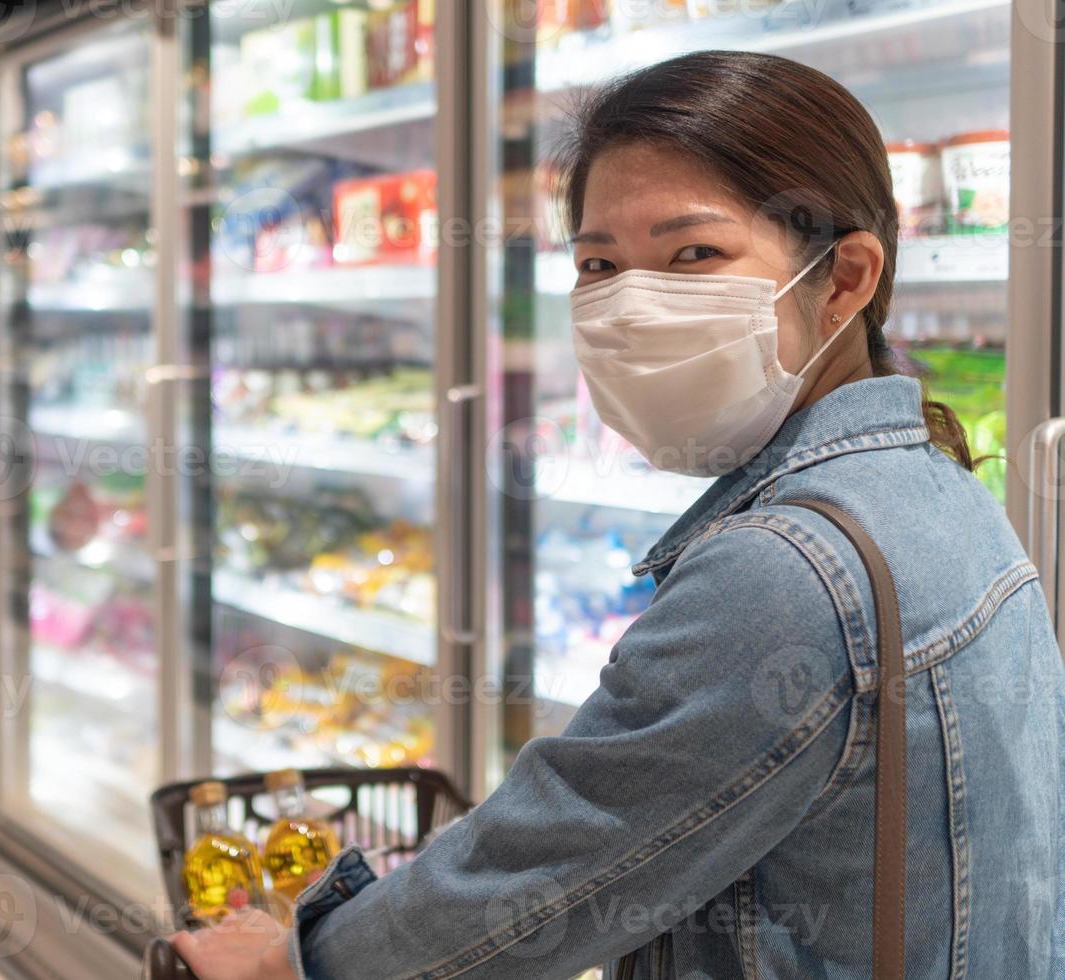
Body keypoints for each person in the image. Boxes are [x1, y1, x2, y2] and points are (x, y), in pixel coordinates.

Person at [171, 50, 1065, 978]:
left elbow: (544, 871)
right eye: (599, 263)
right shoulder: (937, 484)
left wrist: (294, 962)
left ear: (843, 278)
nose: (631, 308)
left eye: (694, 254)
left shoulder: (788, 570)